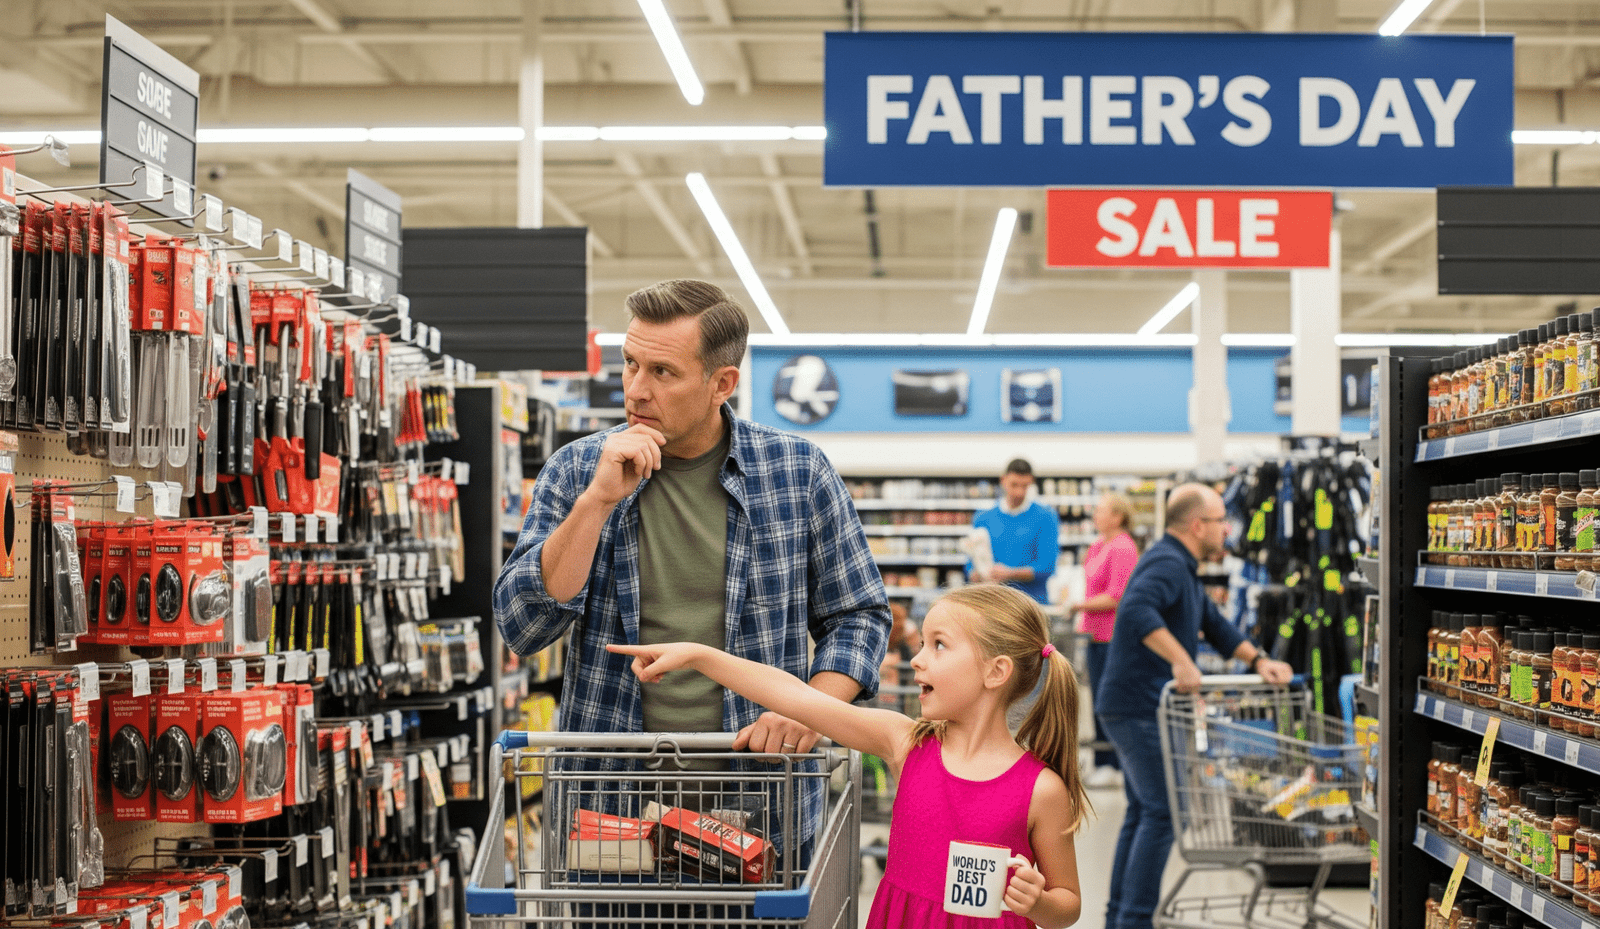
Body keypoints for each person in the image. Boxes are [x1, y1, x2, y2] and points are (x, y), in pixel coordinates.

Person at [492, 279, 891, 871]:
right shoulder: (579, 468)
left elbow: (858, 614)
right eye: (629, 364)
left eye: (662, 372)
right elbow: (522, 627)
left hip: (761, 805)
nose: (635, 390)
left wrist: (811, 707)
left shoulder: (798, 472)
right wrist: (595, 503)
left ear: (721, 383)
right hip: (612, 812)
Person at [608, 583, 1088, 929]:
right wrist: (701, 657)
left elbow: (1068, 903)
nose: (917, 658)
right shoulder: (907, 743)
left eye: (938, 645)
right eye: (922, 643)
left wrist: (1037, 901)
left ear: (996, 671)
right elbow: (797, 698)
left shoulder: (1042, 790)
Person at [1094, 483, 1294, 929]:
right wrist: (1181, 660)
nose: (1228, 529)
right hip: (1138, 707)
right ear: (1196, 524)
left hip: (1132, 706)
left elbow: (1214, 623)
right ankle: (1133, 921)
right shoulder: (1167, 563)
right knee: (1162, 811)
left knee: (1143, 811)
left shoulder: (1180, 567)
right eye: (1222, 520)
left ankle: (1120, 918)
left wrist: (1260, 660)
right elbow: (1136, 610)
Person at [1067, 491, 1139, 790]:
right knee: (1097, 700)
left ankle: (1114, 765)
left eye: (1101, 510)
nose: (1095, 514)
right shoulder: (1098, 545)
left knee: (1111, 701)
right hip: (1094, 634)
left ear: (1118, 516)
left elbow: (1117, 596)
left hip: (1113, 637)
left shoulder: (1123, 547)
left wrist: (1078, 606)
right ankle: (1101, 761)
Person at [969, 459, 1059, 605]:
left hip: (1031, 605)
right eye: (1014, 485)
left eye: (1025, 486)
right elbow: (970, 563)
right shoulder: (983, 518)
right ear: (1003, 480)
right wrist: (977, 573)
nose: (1019, 492)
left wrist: (1009, 573)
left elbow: (1047, 566)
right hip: (993, 604)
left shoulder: (1046, 517)